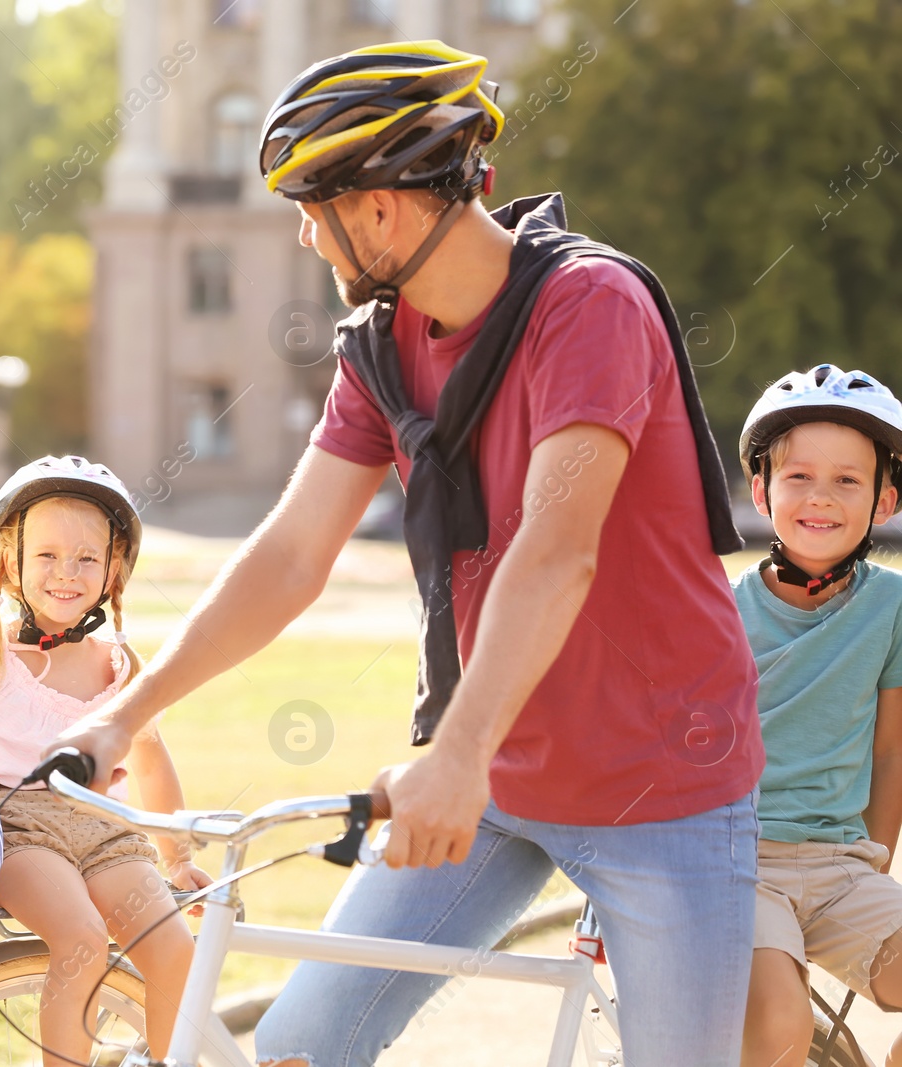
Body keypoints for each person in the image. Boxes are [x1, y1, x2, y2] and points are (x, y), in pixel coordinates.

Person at [47, 41, 764, 1065]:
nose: (302, 233)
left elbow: (555, 550)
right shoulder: (384, 347)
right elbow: (292, 553)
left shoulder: (588, 306)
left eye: (310, 205)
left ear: (379, 208)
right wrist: (127, 708)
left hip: (661, 782)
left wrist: (458, 753)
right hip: (499, 768)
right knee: (299, 1047)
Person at [0, 456, 209, 1066]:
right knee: (83, 939)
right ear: (9, 562)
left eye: (87, 558)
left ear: (114, 571)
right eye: (47, 556)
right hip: (15, 828)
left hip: (103, 830)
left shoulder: (118, 664)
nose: (67, 573)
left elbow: (149, 757)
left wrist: (181, 857)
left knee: (174, 948)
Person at [734, 366, 902, 1067]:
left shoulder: (892, 608)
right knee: (777, 1029)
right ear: (760, 489)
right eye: (798, 476)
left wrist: (871, 873)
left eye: (847, 480)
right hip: (736, 865)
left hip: (844, 867)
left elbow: (891, 753)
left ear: (886, 499)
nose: (820, 498)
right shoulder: (717, 612)